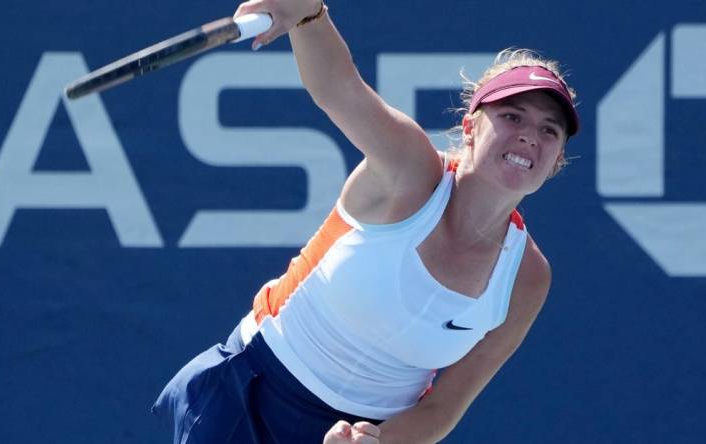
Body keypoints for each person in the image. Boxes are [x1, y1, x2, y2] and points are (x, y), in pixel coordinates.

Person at [151, 0, 580, 443]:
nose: (530, 135)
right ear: (470, 127)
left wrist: (378, 443)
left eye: (550, 130)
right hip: (252, 390)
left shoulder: (527, 277)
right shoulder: (410, 170)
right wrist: (307, 14)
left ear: (556, 162)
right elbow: (340, 90)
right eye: (512, 116)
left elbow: (444, 405)